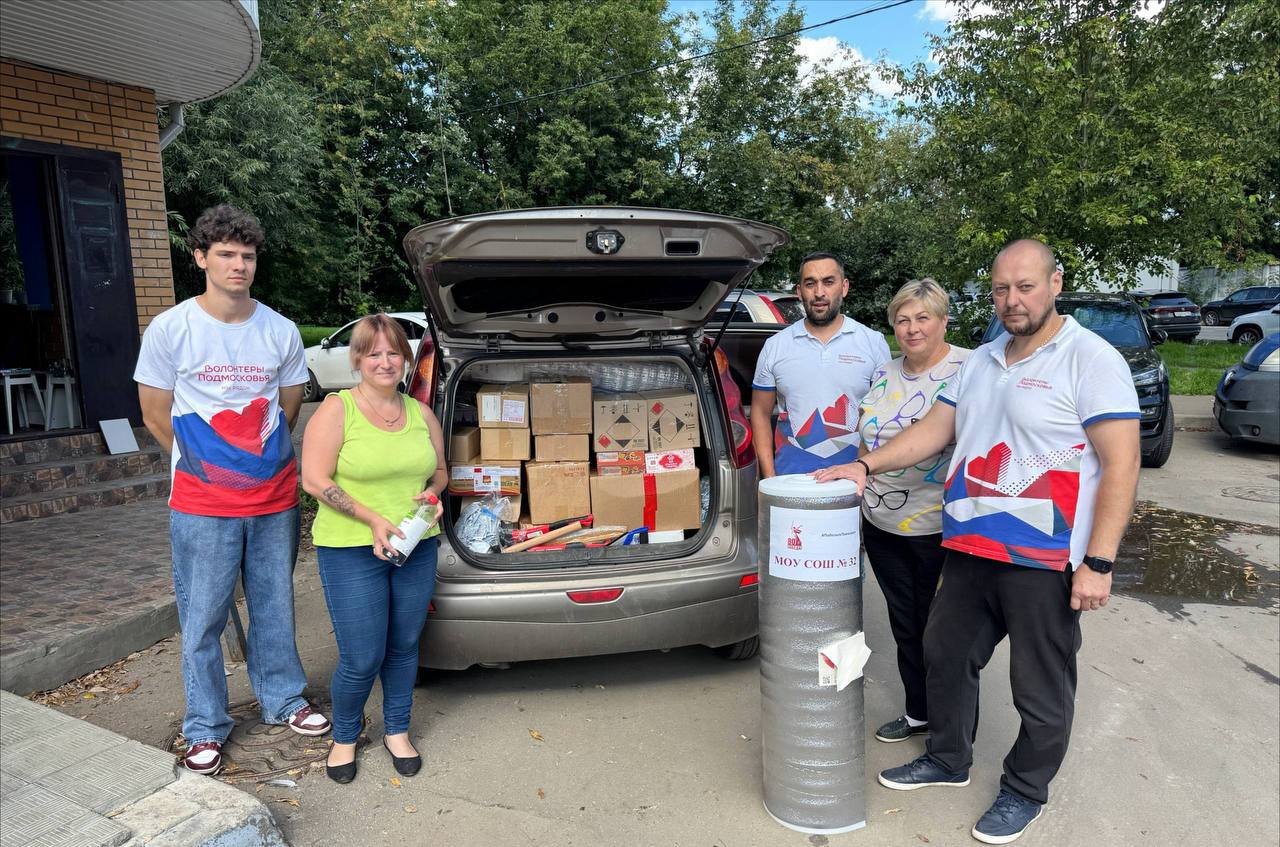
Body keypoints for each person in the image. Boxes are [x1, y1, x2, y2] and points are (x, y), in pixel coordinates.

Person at [815, 239, 1141, 844]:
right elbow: (935, 431)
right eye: (1001, 289)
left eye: (1025, 286)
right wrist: (866, 464)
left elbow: (1121, 464)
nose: (1012, 300)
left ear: (1055, 283)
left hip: (1045, 557)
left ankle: (1024, 789)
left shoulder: (1090, 359)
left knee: (1038, 684)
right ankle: (947, 758)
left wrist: (1098, 561)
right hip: (968, 547)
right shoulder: (983, 361)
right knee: (943, 652)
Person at [134, 204, 330, 777]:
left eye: (246, 255)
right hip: (202, 503)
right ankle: (205, 728)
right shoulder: (172, 329)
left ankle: (284, 700)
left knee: (274, 605)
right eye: (225, 254)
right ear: (201, 258)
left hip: (273, 500)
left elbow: (289, 402)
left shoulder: (279, 329)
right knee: (203, 618)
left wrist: (256, 463)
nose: (238, 265)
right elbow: (153, 413)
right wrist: (207, 466)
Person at [301, 314, 448, 784]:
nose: (385, 361)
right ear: (358, 359)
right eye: (374, 353)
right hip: (351, 550)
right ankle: (345, 737)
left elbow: (440, 471)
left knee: (404, 646)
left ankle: (397, 731)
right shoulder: (336, 409)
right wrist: (371, 519)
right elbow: (314, 480)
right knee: (362, 655)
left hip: (414, 545)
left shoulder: (420, 413)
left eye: (393, 352)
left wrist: (433, 494)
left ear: (406, 359)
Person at [858, 279, 969, 744]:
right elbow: (866, 434)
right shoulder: (884, 372)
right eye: (902, 319)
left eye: (923, 317)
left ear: (943, 320)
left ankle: (950, 734)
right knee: (905, 623)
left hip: (938, 526)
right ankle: (918, 711)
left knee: (943, 632)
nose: (912, 328)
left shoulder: (969, 367)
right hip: (881, 523)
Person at [750, 252, 891, 477]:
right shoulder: (775, 346)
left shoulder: (873, 343)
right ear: (799, 291)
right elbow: (759, 412)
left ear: (844, 287)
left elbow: (887, 416)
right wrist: (770, 478)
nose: (819, 293)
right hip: (791, 481)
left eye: (828, 282)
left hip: (855, 483)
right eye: (810, 283)